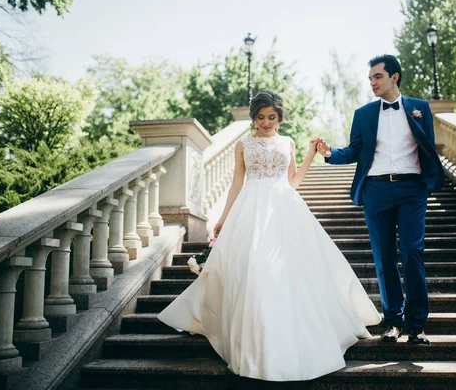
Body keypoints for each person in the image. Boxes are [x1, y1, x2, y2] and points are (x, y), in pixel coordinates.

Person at [158, 90, 381, 381]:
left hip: (284, 209)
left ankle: (287, 337)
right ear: (254, 118)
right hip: (250, 210)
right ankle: (254, 342)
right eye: (261, 117)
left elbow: (293, 182)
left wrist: (310, 154)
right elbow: (237, 184)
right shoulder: (243, 145)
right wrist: (223, 219)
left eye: (271, 117)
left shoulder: (286, 142)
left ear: (280, 117)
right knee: (255, 269)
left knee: (290, 270)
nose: (266, 122)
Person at [316, 54, 445, 346]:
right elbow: (353, 151)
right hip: (376, 190)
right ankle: (393, 323)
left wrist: (425, 185)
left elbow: (428, 148)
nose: (372, 82)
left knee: (412, 252)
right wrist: (329, 153)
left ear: (394, 77)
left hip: (412, 189)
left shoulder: (420, 109)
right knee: (384, 257)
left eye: (378, 76)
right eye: (370, 78)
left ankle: (416, 325)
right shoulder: (363, 114)